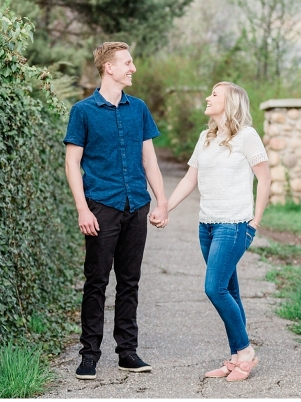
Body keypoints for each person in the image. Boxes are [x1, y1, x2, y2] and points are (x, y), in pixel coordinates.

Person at [151, 81, 271, 382]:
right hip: (207, 225)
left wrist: (255, 222)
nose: (208, 97)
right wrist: (166, 207)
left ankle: (245, 353)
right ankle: (235, 357)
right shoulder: (206, 137)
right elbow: (191, 179)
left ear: (230, 102)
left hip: (234, 225)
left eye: (215, 94)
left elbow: (265, 180)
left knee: (214, 288)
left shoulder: (247, 136)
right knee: (229, 290)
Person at [64, 41, 168, 380]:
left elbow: (148, 158)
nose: (132, 68)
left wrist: (162, 200)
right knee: (96, 282)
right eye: (127, 62)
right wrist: (82, 208)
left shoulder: (138, 109)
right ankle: (89, 355)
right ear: (109, 67)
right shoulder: (83, 111)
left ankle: (127, 352)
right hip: (101, 207)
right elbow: (72, 163)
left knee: (130, 282)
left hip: (136, 205)